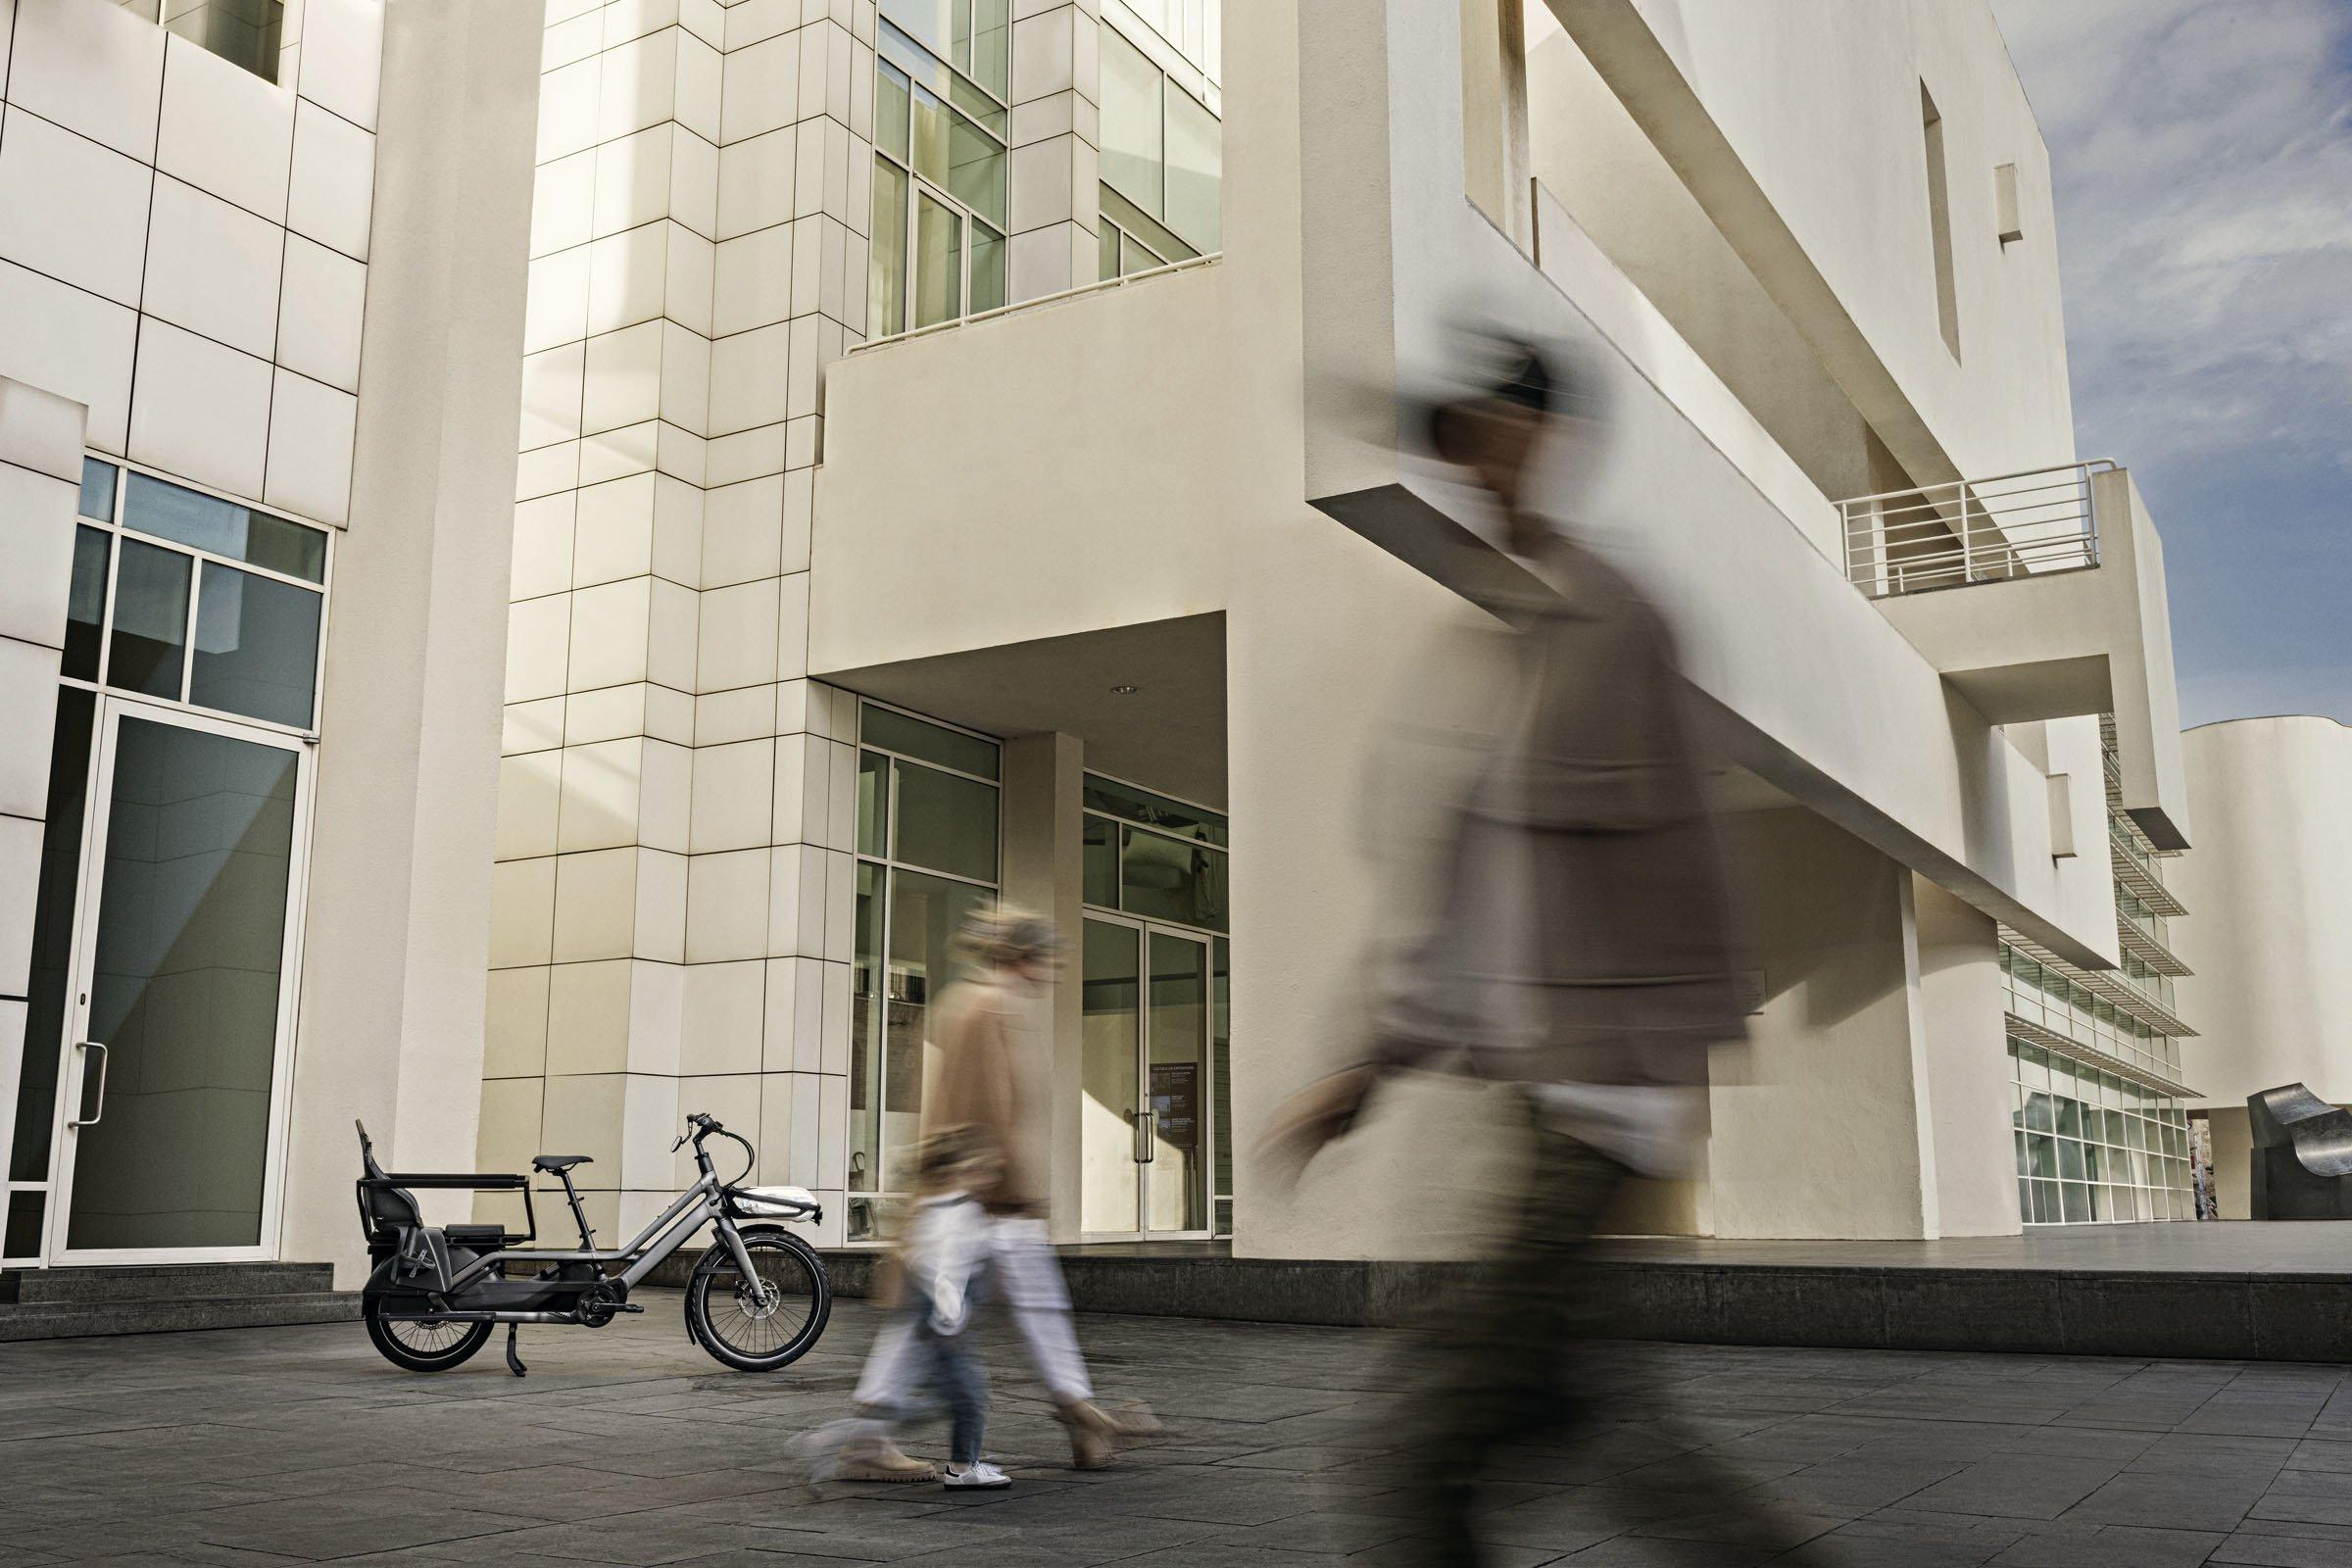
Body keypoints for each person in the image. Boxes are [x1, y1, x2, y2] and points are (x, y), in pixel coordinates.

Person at [1261, 341, 1751, 1566]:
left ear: (1538, 437)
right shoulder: (1520, 635)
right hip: (1542, 1105)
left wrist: (1644, 1083)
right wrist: (1368, 1070)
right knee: (1610, 1439)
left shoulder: (1612, 624)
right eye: (1451, 443)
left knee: (1417, 1459)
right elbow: (1479, 909)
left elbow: (1673, 886)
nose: (1466, 466)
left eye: (1482, 436)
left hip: (1589, 1108)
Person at [835, 908, 1153, 1484]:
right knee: (964, 1313)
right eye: (1045, 956)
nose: (1052, 967)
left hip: (972, 1188)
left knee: (977, 1310)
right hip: (981, 1193)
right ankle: (1077, 1414)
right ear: (1020, 957)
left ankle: (1079, 1414)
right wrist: (1010, 1186)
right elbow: (990, 1102)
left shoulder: (974, 1003)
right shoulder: (992, 1006)